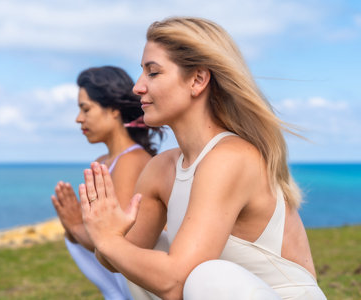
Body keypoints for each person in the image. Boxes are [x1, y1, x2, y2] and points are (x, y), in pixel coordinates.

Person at [79, 18, 326, 300]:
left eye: (153, 73)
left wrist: (109, 241)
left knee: (204, 276)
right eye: (142, 72)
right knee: (143, 258)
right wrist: (104, 231)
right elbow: (115, 258)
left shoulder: (231, 156)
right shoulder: (160, 168)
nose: (137, 87)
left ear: (197, 80)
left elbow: (175, 282)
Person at [51, 66, 163, 300]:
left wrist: (74, 226)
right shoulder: (104, 161)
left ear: (113, 109)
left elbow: (117, 245)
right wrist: (74, 228)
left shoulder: (131, 161)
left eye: (86, 109)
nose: (78, 118)